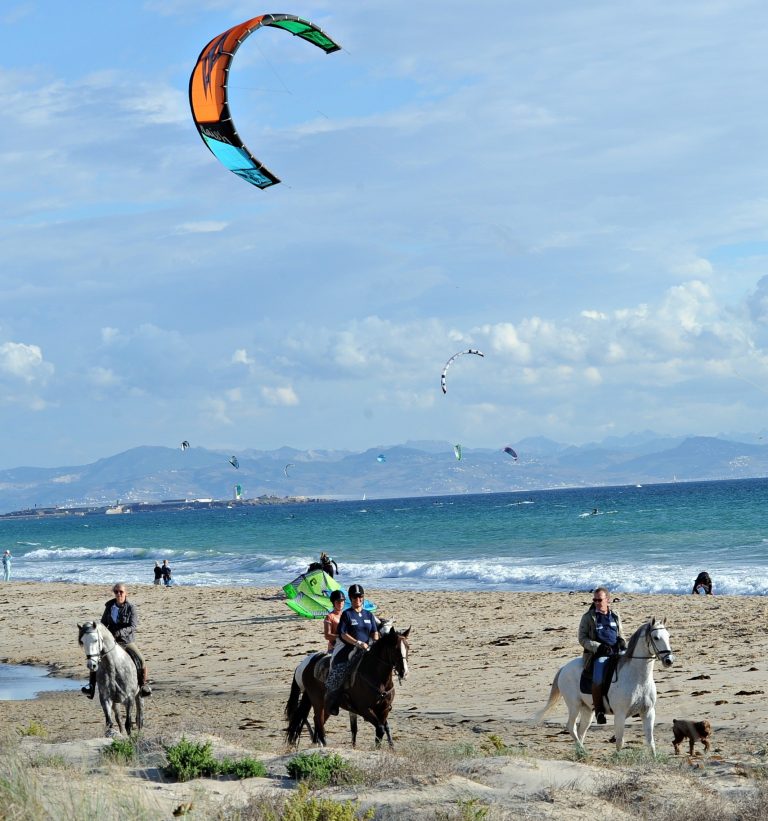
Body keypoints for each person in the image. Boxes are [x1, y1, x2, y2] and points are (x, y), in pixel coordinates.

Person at [81, 583, 152, 699]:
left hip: (126, 641)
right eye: (116, 592)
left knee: (141, 660)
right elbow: (103, 624)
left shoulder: (131, 608)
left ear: (125, 593)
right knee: (95, 661)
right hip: (109, 642)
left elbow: (132, 626)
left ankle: (143, 686)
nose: (119, 594)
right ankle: (91, 687)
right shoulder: (109, 606)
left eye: (121, 592)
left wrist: (119, 633)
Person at [324, 583, 379, 716]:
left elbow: (374, 632)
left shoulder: (369, 615)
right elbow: (343, 634)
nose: (357, 599)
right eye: (354, 597)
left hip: (367, 648)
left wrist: (374, 641)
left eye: (360, 596)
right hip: (350, 648)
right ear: (351, 598)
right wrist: (357, 642)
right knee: (341, 669)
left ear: (363, 597)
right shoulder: (347, 615)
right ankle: (334, 699)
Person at [578, 586, 626, 725]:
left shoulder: (615, 615)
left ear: (608, 600)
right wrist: (598, 647)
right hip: (598, 655)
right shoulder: (588, 617)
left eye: (600, 600)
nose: (597, 602)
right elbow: (582, 638)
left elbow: (620, 634)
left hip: (616, 652)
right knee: (598, 677)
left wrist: (622, 642)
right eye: (595, 600)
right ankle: (599, 711)